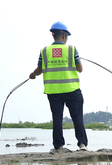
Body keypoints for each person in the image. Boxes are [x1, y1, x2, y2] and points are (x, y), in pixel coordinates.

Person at [29, 22, 88, 153]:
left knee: (57, 118)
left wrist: (33, 74)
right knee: (77, 117)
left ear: (53, 35)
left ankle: (58, 146)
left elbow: (39, 70)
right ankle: (82, 144)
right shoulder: (72, 50)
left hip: (53, 91)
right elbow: (80, 69)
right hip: (72, 89)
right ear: (64, 35)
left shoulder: (44, 51)